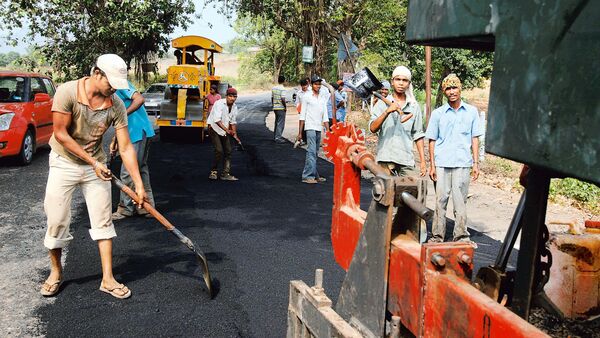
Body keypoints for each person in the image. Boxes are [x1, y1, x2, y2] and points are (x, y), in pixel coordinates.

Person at [40, 54, 147, 299]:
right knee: (56, 220)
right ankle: (56, 273)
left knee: (103, 221)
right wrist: (92, 162)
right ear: (96, 73)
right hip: (64, 162)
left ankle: (108, 279)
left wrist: (138, 185)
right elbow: (61, 134)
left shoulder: (116, 105)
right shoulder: (67, 92)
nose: (113, 89)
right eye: (110, 83)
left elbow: (126, 146)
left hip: (94, 165)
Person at [425, 73, 483, 244]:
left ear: (460, 88)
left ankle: (461, 235)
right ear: (444, 92)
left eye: (454, 87)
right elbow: (432, 140)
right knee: (440, 201)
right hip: (442, 163)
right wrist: (432, 165)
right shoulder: (438, 114)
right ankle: (437, 236)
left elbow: (475, 138)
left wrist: (475, 163)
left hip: (462, 163)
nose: (452, 91)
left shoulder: (471, 112)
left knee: (460, 202)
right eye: (448, 88)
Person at [369, 66, 426, 177]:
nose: (401, 83)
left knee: (409, 192)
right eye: (398, 79)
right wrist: (387, 111)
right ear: (392, 82)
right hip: (385, 158)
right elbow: (372, 128)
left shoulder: (413, 106)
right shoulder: (382, 104)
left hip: (405, 159)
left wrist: (423, 161)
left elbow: (418, 135)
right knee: (385, 192)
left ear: (409, 84)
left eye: (404, 80)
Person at [111, 80, 156, 220]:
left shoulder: (120, 83)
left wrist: (122, 114)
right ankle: (147, 207)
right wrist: (115, 139)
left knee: (128, 171)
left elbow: (139, 99)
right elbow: (120, 124)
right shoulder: (112, 88)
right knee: (140, 169)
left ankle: (125, 208)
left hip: (137, 132)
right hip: (138, 132)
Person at [297, 75, 330, 184]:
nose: (318, 86)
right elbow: (302, 115)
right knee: (311, 151)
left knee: (315, 152)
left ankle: (315, 175)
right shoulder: (306, 96)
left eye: (319, 84)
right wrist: (299, 133)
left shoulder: (322, 97)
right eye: (316, 84)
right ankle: (307, 176)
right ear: (311, 84)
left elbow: (325, 115)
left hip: (318, 127)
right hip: (310, 126)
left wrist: (328, 130)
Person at [207, 87, 241, 181]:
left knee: (228, 151)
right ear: (226, 96)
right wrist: (227, 130)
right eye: (230, 96)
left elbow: (233, 122)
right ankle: (213, 171)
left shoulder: (234, 107)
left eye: (234, 97)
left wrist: (235, 135)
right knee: (219, 150)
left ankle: (225, 174)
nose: (232, 98)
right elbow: (217, 120)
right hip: (214, 128)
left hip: (224, 130)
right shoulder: (219, 104)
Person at [294, 77, 310, 147]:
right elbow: (297, 102)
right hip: (302, 112)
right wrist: (299, 108)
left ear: (308, 84)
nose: (304, 87)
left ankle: (310, 139)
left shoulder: (311, 92)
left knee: (310, 125)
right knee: (302, 126)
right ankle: (303, 139)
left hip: (310, 112)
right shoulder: (299, 93)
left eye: (305, 85)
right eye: (302, 86)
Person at [271, 75, 287, 144]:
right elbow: (282, 98)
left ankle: (275, 136)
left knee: (277, 122)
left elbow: (272, 98)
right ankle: (278, 137)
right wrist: (285, 107)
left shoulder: (274, 88)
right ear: (284, 81)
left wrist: (273, 105)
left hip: (275, 107)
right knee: (281, 123)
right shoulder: (283, 89)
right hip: (281, 107)